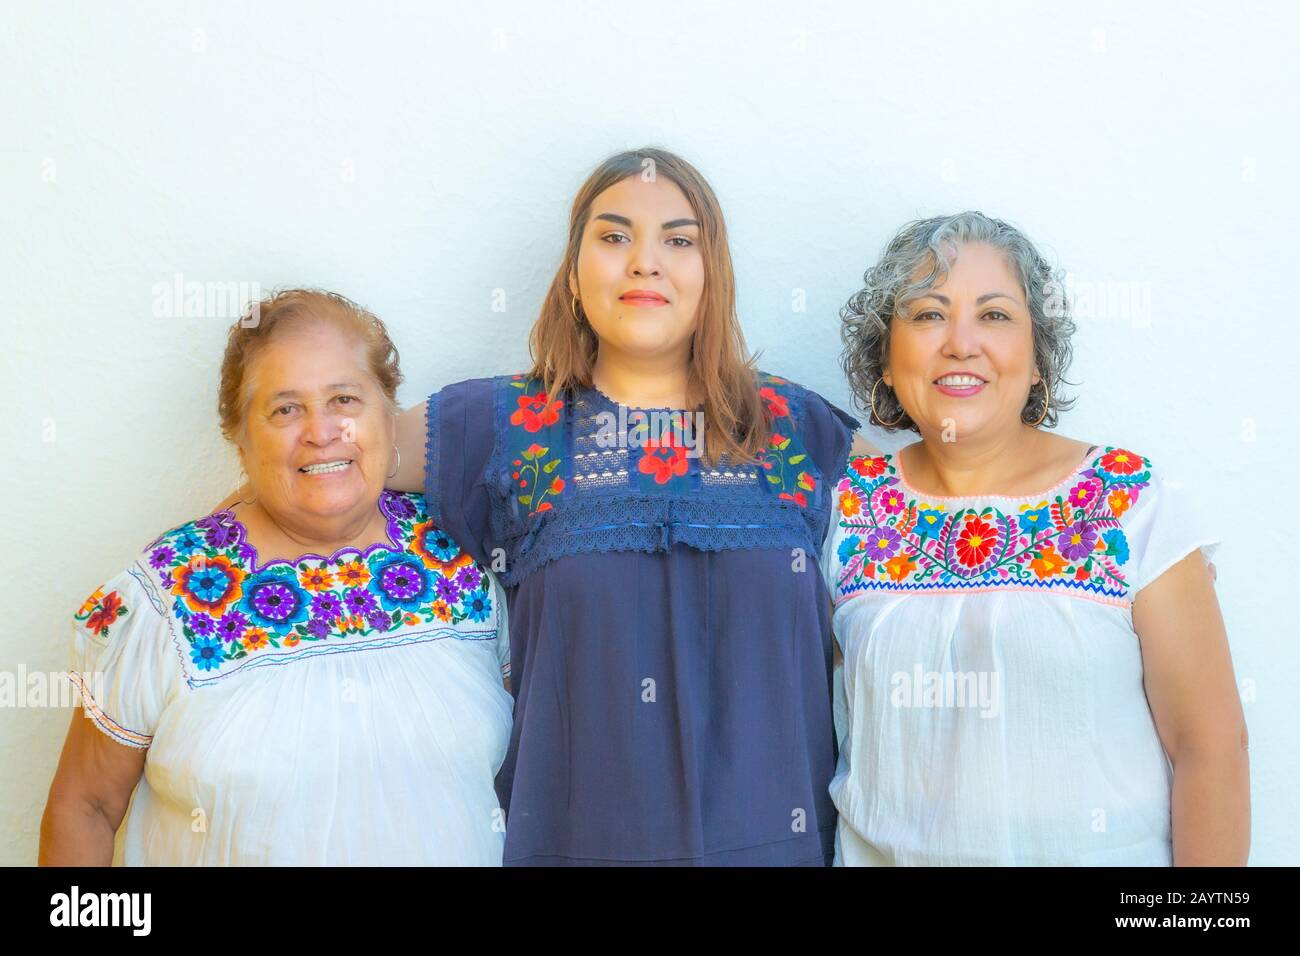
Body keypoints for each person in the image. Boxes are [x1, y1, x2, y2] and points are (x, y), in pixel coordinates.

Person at [388, 148, 862, 865]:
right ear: (573, 277)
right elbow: (327, 454)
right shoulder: (498, 424)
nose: (645, 262)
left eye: (679, 239)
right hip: (575, 844)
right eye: (613, 237)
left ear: (713, 275)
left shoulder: (796, 427)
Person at [824, 211, 1249, 865]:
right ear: (885, 357)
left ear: (1037, 355)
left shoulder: (1128, 503)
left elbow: (1209, 746)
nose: (961, 343)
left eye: (994, 315)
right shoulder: (845, 510)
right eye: (928, 314)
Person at [40, 290, 512, 865]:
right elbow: (84, 808)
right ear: (239, 437)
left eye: (344, 398)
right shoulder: (166, 596)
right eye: (285, 409)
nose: (321, 430)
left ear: (389, 417)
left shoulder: (464, 560)